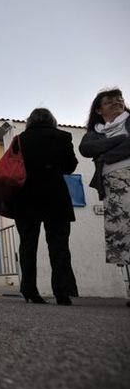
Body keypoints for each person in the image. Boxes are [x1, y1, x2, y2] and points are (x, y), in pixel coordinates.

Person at [10, 108, 79, 305]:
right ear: (52, 120)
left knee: (28, 244)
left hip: (25, 197)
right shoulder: (63, 137)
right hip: (55, 197)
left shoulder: (20, 139)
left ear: (30, 121)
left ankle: (29, 290)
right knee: (59, 245)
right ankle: (62, 293)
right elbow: (70, 166)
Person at [79, 88, 130, 308]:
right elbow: (87, 149)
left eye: (119, 99)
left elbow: (102, 153)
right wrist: (120, 141)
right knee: (124, 236)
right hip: (113, 187)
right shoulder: (94, 132)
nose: (117, 103)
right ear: (99, 110)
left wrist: (106, 154)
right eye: (110, 102)